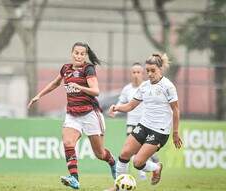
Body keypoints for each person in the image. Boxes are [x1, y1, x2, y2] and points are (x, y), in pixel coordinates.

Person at [28, 42, 116, 190]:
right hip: (72, 114)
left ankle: (113, 163)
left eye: (82, 54)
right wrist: (38, 95)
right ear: (72, 53)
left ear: (85, 55)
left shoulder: (88, 69)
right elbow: (55, 83)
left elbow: (96, 91)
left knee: (100, 154)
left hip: (90, 114)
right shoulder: (66, 68)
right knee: (68, 143)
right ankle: (74, 179)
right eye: (76, 53)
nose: (79, 56)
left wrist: (80, 87)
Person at [108, 53, 182, 186]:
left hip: (160, 131)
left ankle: (156, 167)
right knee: (124, 154)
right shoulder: (144, 86)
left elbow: (176, 110)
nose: (150, 73)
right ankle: (117, 187)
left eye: (153, 70)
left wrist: (175, 133)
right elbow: (131, 106)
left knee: (137, 162)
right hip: (144, 125)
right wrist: (116, 108)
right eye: (147, 71)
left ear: (160, 69)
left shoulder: (168, 86)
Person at [109, 62, 160, 181]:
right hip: (131, 123)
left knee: (142, 151)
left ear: (143, 74)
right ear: (131, 74)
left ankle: (152, 162)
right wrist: (115, 111)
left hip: (147, 124)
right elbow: (121, 102)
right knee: (131, 150)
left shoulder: (148, 87)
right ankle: (141, 173)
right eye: (134, 72)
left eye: (138, 72)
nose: (136, 74)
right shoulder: (127, 89)